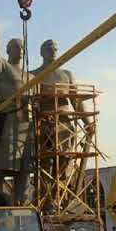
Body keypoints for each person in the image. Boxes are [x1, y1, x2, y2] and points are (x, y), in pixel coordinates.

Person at [0, 0, 33, 205]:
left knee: (25, 170)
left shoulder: (29, 75)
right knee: (1, 167)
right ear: (9, 50)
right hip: (9, 122)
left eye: (22, 46)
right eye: (16, 46)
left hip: (28, 125)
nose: (21, 49)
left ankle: (20, 208)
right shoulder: (1, 68)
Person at [31, 40, 94, 212]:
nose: (53, 51)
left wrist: (88, 123)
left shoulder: (67, 74)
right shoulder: (33, 75)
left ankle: (60, 201)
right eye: (49, 48)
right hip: (43, 123)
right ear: (42, 52)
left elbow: (76, 101)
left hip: (65, 124)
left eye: (55, 49)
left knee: (64, 163)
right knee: (43, 165)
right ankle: (44, 202)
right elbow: (29, 103)